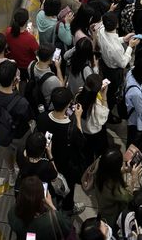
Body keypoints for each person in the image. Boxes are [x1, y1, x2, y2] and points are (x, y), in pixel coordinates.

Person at [36, 87, 86, 215]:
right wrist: (78, 118)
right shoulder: (71, 128)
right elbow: (81, 143)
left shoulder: (42, 117)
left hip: (49, 161)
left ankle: (55, 200)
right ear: (69, 104)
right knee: (68, 188)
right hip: (66, 166)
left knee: (53, 185)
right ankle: (68, 208)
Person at [0, 60, 34, 185]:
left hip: (1, 131)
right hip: (19, 135)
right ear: (15, 79)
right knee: (23, 153)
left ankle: (11, 173)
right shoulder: (21, 102)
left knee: (7, 151)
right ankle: (23, 172)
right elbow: (29, 118)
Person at [97, 11, 138, 123]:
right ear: (117, 25)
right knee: (111, 93)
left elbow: (111, 41)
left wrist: (124, 39)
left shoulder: (100, 30)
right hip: (114, 72)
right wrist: (130, 46)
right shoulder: (116, 49)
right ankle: (108, 113)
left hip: (104, 65)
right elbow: (123, 63)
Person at [8, 176, 73, 240]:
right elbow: (67, 228)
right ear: (41, 199)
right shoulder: (53, 220)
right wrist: (51, 206)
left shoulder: (12, 213)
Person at [94, 147, 136, 227]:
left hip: (102, 207)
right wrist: (133, 179)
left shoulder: (99, 171)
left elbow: (109, 171)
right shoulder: (113, 188)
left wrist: (124, 170)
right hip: (111, 215)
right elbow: (129, 198)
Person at [77, 73, 109, 159]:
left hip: (84, 132)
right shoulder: (97, 107)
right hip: (96, 134)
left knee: (88, 155)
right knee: (100, 153)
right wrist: (104, 96)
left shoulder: (79, 95)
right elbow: (104, 119)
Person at [5, 8, 40, 81]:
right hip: (27, 66)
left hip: (15, 63)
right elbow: (38, 53)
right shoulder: (30, 38)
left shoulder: (8, 31)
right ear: (26, 22)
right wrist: (32, 34)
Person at [27, 44, 65, 111]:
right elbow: (62, 86)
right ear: (51, 58)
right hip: (47, 105)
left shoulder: (31, 65)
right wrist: (58, 67)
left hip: (34, 97)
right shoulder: (52, 80)